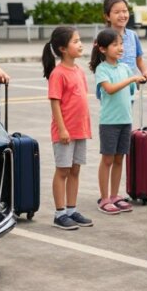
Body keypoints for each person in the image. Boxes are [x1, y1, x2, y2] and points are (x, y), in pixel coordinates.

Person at [42, 26, 94, 230]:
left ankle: (72, 209)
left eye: (80, 40)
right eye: (75, 41)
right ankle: (60, 213)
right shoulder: (58, 73)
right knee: (62, 170)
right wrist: (62, 129)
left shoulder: (79, 71)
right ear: (63, 49)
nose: (80, 44)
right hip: (64, 132)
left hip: (80, 130)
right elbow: (55, 103)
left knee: (75, 170)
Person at [90, 28, 145, 215]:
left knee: (120, 159)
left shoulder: (125, 68)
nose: (120, 48)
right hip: (109, 122)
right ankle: (104, 198)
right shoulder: (102, 69)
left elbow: (130, 92)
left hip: (125, 120)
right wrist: (131, 78)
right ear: (103, 49)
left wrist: (137, 79)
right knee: (107, 159)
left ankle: (115, 196)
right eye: (115, 45)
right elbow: (110, 89)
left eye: (121, 44)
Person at [102, 0, 147, 84]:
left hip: (130, 90)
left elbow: (138, 60)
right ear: (107, 16)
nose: (122, 15)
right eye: (117, 12)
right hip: (112, 88)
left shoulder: (133, 35)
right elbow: (97, 63)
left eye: (125, 11)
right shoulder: (103, 37)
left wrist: (145, 71)